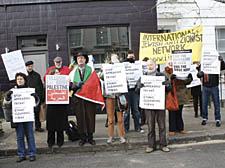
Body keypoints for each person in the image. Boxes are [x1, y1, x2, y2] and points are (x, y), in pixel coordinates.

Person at [136, 59, 170, 153]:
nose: (150, 67)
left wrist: (167, 85)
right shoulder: (143, 77)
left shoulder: (162, 76)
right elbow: (136, 90)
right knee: (150, 126)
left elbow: (169, 88)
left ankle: (163, 145)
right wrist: (139, 86)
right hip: (149, 105)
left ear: (155, 66)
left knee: (162, 126)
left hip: (159, 104)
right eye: (148, 65)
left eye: (151, 65)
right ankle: (151, 145)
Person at [3, 73, 38, 162]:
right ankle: (21, 154)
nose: (19, 80)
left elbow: (36, 104)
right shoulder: (12, 91)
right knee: (20, 136)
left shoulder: (29, 90)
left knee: (30, 135)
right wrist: (7, 96)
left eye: (21, 79)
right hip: (18, 116)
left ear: (25, 80)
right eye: (18, 79)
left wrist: (35, 98)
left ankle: (32, 153)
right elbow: (6, 104)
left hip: (28, 116)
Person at [69, 52, 96, 146]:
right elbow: (70, 85)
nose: (80, 59)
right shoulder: (72, 72)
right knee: (80, 118)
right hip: (78, 98)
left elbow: (96, 83)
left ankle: (90, 137)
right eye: (78, 58)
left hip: (89, 97)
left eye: (82, 58)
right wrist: (76, 85)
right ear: (76, 61)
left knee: (90, 116)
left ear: (85, 60)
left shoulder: (91, 70)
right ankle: (82, 138)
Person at [100, 53, 126, 144]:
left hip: (119, 96)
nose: (114, 60)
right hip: (109, 96)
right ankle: (110, 136)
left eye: (116, 58)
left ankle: (121, 136)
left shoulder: (122, 69)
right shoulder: (107, 69)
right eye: (112, 58)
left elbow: (126, 82)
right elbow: (101, 78)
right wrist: (103, 71)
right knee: (110, 118)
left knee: (120, 119)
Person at [163, 59, 193, 136]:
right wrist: (170, 78)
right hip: (171, 95)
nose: (171, 64)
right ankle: (172, 129)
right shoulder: (164, 73)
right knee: (172, 113)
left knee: (179, 112)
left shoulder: (181, 71)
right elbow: (164, 83)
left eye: (172, 63)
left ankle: (180, 128)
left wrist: (189, 78)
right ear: (166, 64)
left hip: (180, 95)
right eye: (169, 63)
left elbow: (185, 82)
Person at [197, 56, 225, 127]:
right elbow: (198, 74)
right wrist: (199, 72)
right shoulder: (203, 64)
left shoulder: (216, 62)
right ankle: (204, 118)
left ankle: (218, 119)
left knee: (216, 103)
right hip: (205, 86)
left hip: (214, 86)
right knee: (204, 103)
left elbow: (223, 67)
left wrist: (221, 61)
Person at [46, 68, 68, 148]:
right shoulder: (48, 83)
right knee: (51, 124)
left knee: (60, 124)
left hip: (61, 105)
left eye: (58, 72)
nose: (57, 74)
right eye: (55, 73)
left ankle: (60, 140)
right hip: (52, 106)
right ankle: (50, 141)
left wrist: (69, 83)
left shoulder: (64, 81)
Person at [123, 50, 144, 133]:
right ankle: (125, 128)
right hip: (126, 91)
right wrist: (126, 62)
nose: (131, 58)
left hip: (135, 91)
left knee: (136, 110)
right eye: (129, 57)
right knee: (126, 111)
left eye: (133, 57)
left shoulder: (138, 65)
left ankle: (138, 127)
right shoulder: (123, 65)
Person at [25, 61, 45, 132]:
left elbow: (40, 86)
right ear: (26, 67)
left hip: (36, 97)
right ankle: (27, 128)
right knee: (27, 113)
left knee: (37, 113)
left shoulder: (37, 75)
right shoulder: (24, 76)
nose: (30, 68)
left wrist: (42, 97)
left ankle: (38, 127)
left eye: (31, 66)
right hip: (26, 98)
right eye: (28, 66)